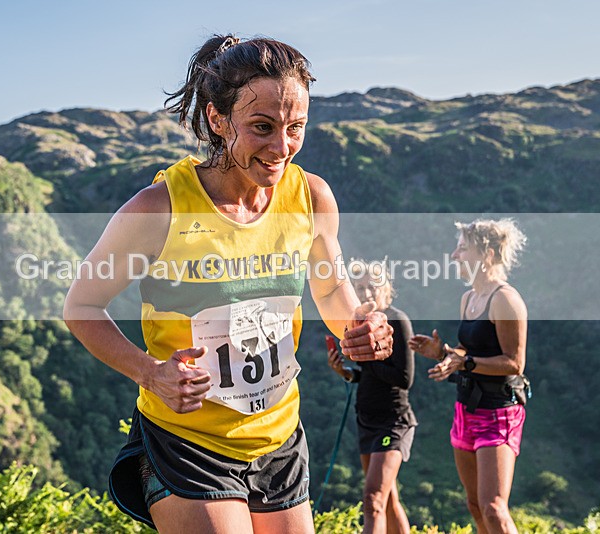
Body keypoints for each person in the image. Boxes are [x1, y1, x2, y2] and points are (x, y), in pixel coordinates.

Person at [63, 34, 394, 534]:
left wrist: (359, 327)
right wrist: (151, 373)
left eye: (296, 128)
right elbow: (82, 307)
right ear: (218, 119)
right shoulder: (159, 208)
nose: (281, 147)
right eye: (262, 127)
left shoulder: (312, 197)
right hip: (187, 440)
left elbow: (329, 289)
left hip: (279, 437)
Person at [408, 218, 528, 534]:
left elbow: (514, 363)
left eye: (463, 249)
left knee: (493, 508)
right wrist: (443, 352)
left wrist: (464, 363)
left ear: (487, 254)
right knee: (474, 504)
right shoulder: (469, 298)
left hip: (499, 412)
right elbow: (468, 352)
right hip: (467, 408)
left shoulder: (505, 299)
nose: (454, 255)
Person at [327, 259, 415, 534]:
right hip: (366, 419)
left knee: (373, 499)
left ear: (385, 288)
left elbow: (404, 378)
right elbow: (369, 375)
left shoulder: (396, 321)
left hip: (393, 421)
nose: (365, 293)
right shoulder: (361, 323)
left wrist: (367, 358)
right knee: (387, 500)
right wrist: (346, 372)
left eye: (371, 287)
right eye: (359, 288)